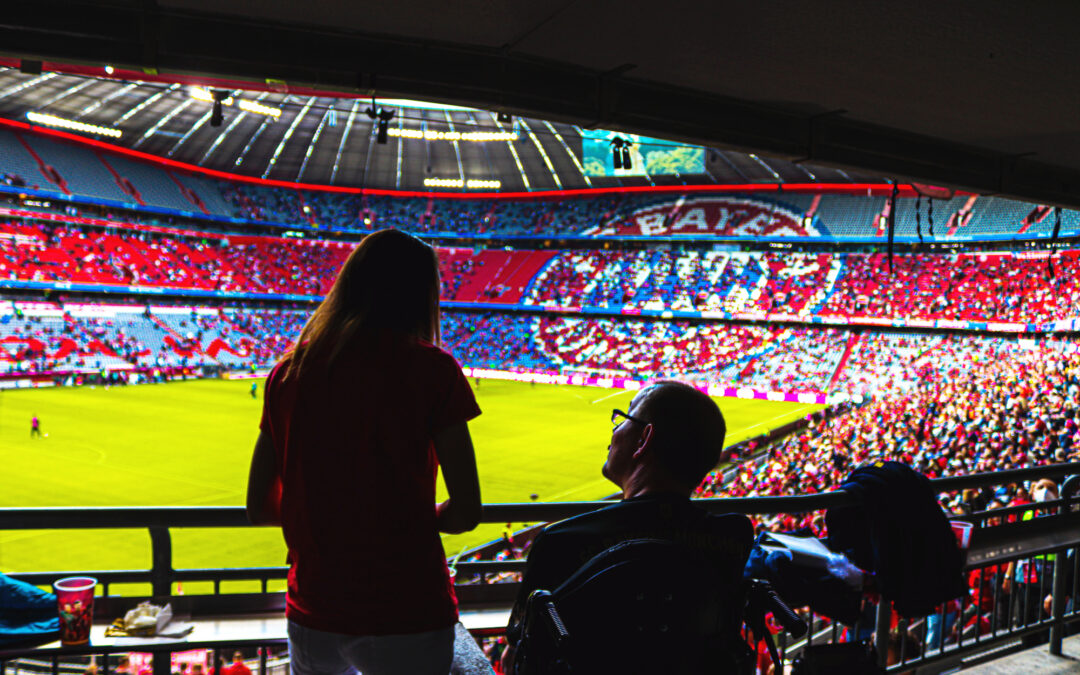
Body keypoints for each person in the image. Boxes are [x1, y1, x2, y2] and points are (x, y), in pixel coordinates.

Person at [246, 229, 483, 675]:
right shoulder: (434, 370)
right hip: (408, 606)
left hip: (315, 604)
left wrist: (330, 520)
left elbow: (259, 507)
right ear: (420, 295)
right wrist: (410, 520)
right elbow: (467, 510)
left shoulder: (288, 374)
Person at [502, 380, 754, 670]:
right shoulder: (733, 537)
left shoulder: (559, 542)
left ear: (644, 439)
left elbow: (519, 649)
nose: (614, 430)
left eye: (623, 418)